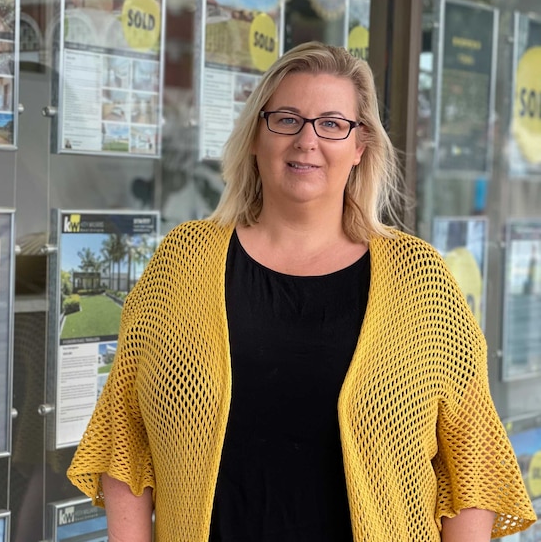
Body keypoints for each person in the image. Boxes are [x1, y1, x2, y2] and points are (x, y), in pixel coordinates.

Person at [67, 42, 536, 541]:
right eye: (287, 119)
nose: (307, 140)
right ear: (255, 136)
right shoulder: (182, 263)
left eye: (332, 123)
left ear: (360, 148)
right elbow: (125, 440)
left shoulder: (421, 280)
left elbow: (471, 463)